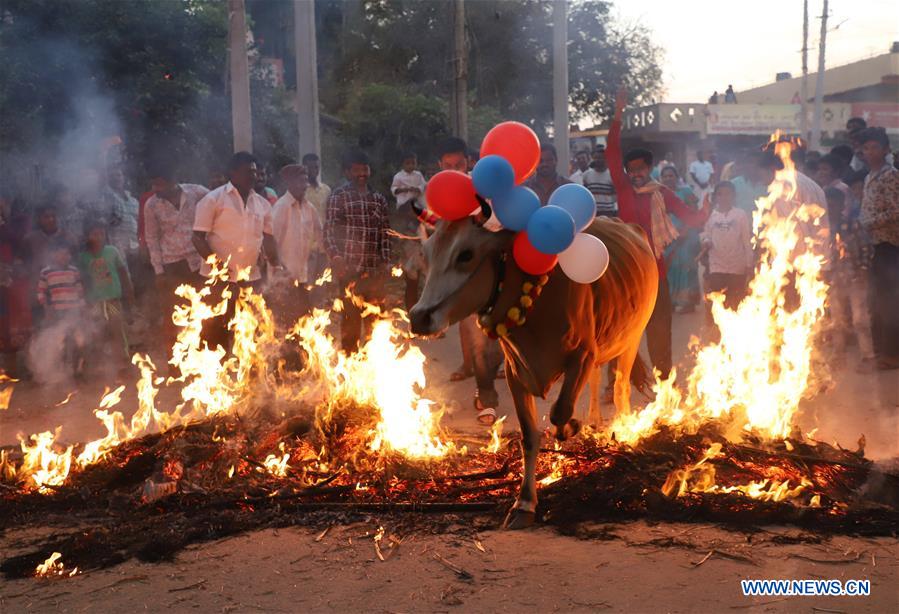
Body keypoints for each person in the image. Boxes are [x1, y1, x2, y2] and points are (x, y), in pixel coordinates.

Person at [608, 89, 709, 377]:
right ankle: (615, 382)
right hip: (626, 269)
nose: (636, 173)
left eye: (640, 168)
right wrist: (618, 115)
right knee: (619, 327)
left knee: (660, 327)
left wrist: (707, 211)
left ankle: (664, 381)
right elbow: (612, 152)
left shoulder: (662, 194)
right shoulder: (624, 188)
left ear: (649, 169)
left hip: (655, 271)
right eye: (631, 169)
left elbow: (691, 216)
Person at [433, 137, 503, 425]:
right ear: (440, 165)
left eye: (459, 164)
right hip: (462, 276)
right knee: (474, 332)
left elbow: (499, 222)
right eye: (448, 165)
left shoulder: (483, 186)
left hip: (493, 267)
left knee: (496, 331)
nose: (455, 170)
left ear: (469, 162)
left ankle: (499, 374)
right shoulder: (437, 190)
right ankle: (485, 395)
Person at [193, 151, 281, 351]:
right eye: (248, 172)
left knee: (250, 332)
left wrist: (277, 263)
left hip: (250, 278)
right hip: (217, 280)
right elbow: (197, 238)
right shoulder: (213, 200)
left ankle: (247, 379)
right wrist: (219, 269)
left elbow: (268, 238)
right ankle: (215, 378)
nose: (254, 176)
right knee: (216, 334)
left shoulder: (262, 204)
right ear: (233, 173)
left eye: (255, 172)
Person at [324, 149, 391, 353]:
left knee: (375, 321)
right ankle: (350, 361)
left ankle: (373, 361)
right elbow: (329, 232)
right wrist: (336, 257)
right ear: (347, 172)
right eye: (356, 170)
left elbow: (385, 233)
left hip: (374, 271)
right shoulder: (338, 196)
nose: (362, 173)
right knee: (350, 321)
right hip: (349, 272)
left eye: (365, 169)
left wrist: (386, 260)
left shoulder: (378, 199)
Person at [144, 160, 209, 361]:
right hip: (172, 267)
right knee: (174, 318)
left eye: (160, 184)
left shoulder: (197, 193)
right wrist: (159, 272)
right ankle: (176, 364)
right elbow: (151, 238)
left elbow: (217, 203)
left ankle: (202, 362)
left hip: (198, 264)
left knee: (203, 313)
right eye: (153, 184)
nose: (156, 189)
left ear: (172, 181)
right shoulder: (152, 204)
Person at [857, 127, 899, 370]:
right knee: (876, 300)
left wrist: (868, 223)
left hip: (889, 246)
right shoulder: (868, 176)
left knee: (888, 302)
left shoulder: (891, 175)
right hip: (873, 245)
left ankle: (891, 355)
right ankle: (881, 352)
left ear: (885, 149)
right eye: (866, 148)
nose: (870, 152)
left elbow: (896, 211)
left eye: (875, 147)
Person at [824, 186, 875, 371]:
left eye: (834, 203)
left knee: (860, 319)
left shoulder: (852, 224)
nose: (831, 206)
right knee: (836, 320)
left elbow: (866, 247)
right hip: (833, 279)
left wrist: (863, 269)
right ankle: (838, 355)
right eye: (827, 203)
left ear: (841, 204)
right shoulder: (820, 227)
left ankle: (868, 357)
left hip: (854, 277)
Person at [270, 163, 323, 325]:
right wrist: (279, 267)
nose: (304, 185)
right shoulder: (281, 207)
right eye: (299, 181)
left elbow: (320, 234)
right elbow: (271, 240)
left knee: (303, 321)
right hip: (283, 278)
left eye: (305, 181)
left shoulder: (309, 208)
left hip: (303, 275)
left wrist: (323, 257)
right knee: (284, 322)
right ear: (289, 183)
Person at [78, 223, 134, 364]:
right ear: (87, 237)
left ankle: (123, 360)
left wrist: (129, 294)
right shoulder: (83, 257)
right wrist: (84, 301)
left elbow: (123, 274)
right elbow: (82, 281)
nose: (98, 237)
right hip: (94, 302)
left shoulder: (112, 251)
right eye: (94, 234)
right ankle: (100, 364)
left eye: (101, 234)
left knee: (117, 330)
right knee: (96, 332)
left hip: (113, 299)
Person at [699, 181, 753, 320]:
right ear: (716, 197)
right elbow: (705, 234)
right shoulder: (711, 216)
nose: (724, 197)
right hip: (717, 264)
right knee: (718, 300)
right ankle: (717, 334)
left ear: (734, 196)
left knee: (736, 300)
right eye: (720, 194)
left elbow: (747, 241)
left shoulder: (740, 215)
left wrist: (749, 264)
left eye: (728, 194)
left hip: (737, 265)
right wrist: (706, 242)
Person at [36, 241, 87, 379]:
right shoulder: (46, 272)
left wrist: (82, 307)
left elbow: (80, 290)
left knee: (78, 341)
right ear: (54, 255)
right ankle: (64, 372)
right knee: (61, 342)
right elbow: (41, 292)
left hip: (74, 311)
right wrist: (47, 308)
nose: (64, 257)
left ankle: (78, 370)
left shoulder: (73, 271)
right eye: (60, 254)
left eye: (66, 254)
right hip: (58, 313)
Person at [660, 166, 701, 313]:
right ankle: (670, 301)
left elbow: (694, 213)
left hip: (687, 236)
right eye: (665, 176)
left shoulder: (686, 192)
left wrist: (685, 231)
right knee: (669, 267)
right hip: (667, 237)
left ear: (677, 177)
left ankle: (688, 302)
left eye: (671, 176)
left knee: (686, 266)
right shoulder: (658, 194)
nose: (668, 179)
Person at [391, 152, 428, 310]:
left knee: (427, 286)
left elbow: (422, 187)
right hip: (411, 256)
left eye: (413, 163)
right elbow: (394, 189)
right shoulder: (404, 224)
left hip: (425, 256)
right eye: (407, 163)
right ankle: (412, 313)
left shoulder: (425, 219)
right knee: (412, 283)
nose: (410, 166)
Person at [103, 166, 140, 265]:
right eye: (112, 176)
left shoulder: (133, 200)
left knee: (139, 272)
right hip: (117, 244)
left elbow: (139, 221)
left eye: (118, 175)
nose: (116, 178)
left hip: (135, 242)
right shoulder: (108, 197)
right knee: (124, 273)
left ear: (123, 177)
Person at [581, 144, 618, 217]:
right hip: (591, 212)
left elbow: (616, 195)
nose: (599, 160)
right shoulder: (586, 175)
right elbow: (585, 194)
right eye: (596, 158)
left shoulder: (612, 175)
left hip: (608, 212)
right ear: (593, 158)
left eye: (602, 158)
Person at [302, 153, 332, 222]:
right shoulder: (301, 191)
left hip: (323, 231)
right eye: (310, 167)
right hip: (307, 231)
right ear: (304, 168)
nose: (313, 170)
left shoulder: (327, 190)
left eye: (316, 167)